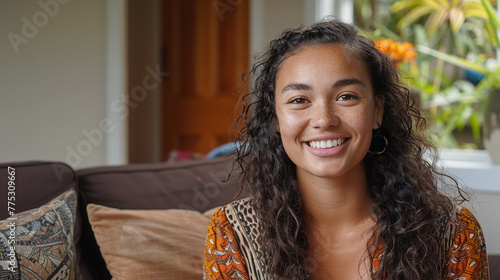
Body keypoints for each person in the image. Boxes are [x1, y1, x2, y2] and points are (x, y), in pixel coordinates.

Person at [203, 20, 488, 280]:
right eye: (299, 99)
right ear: (275, 119)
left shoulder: (452, 233)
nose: (324, 119)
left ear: (377, 110)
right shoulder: (232, 233)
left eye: (346, 96)